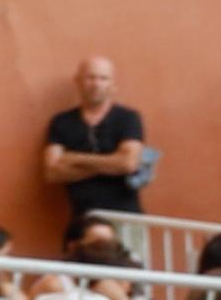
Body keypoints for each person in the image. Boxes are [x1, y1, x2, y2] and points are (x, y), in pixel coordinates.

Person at [40, 52, 156, 248]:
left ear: (112, 84)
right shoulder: (61, 122)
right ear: (78, 81)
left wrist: (73, 158)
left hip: (125, 219)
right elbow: (52, 172)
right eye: (90, 77)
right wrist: (111, 162)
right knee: (83, 277)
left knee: (132, 276)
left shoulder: (128, 118)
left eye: (103, 78)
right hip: (83, 220)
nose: (96, 84)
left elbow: (128, 164)